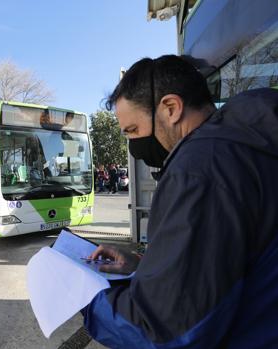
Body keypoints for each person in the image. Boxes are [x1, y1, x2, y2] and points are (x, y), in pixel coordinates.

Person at [82, 55, 278, 348]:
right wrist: (142, 265)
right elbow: (225, 261)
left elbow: (164, 330)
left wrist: (83, 294)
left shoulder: (198, 170)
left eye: (133, 131)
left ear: (171, 108)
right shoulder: (244, 143)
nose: (134, 146)